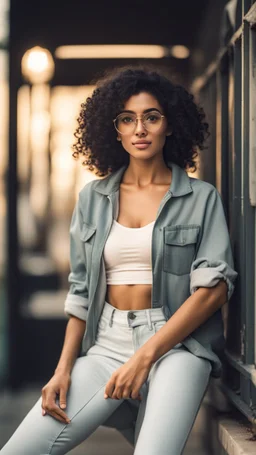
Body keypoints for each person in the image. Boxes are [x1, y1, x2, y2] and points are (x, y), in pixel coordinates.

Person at [1, 66, 238, 455]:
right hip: (106, 344)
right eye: (127, 119)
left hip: (177, 346)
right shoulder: (92, 198)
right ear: (115, 130)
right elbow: (80, 293)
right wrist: (63, 370)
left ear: (171, 125)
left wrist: (145, 356)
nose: (139, 129)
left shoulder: (200, 197)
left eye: (151, 117)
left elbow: (212, 291)